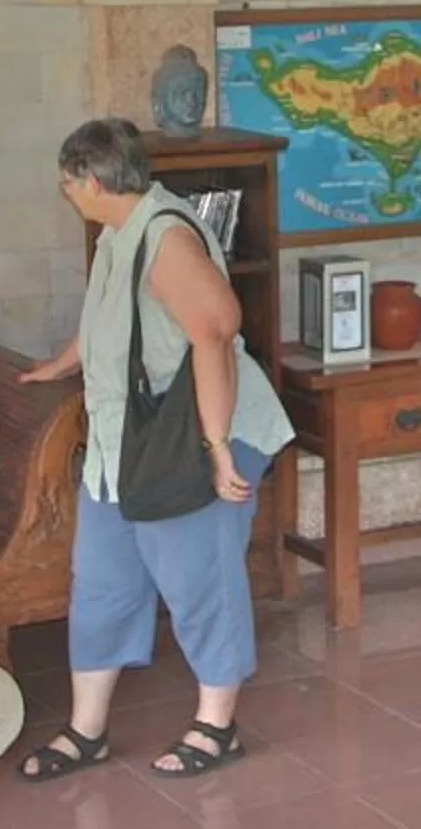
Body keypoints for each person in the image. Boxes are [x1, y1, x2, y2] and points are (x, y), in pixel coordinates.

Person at [15, 117, 294, 781]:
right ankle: (87, 732)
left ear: (91, 179)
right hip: (122, 447)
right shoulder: (118, 231)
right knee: (103, 583)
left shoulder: (167, 238)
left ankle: (217, 725)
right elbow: (109, 321)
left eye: (66, 184)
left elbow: (217, 333)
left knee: (200, 580)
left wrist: (219, 448)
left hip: (191, 438)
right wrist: (61, 365)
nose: (66, 195)